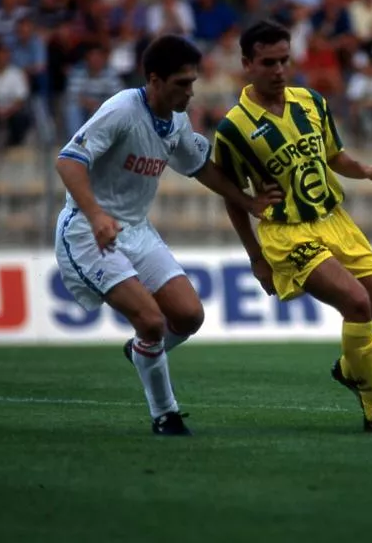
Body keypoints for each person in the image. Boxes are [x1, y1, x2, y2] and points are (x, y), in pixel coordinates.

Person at [54, 35, 281, 436]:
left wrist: (248, 202)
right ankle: (165, 415)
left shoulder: (176, 120)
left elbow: (201, 167)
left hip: (137, 231)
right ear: (155, 81)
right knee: (152, 321)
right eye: (181, 83)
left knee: (189, 316)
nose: (190, 92)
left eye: (192, 83)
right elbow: (69, 161)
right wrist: (96, 216)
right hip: (89, 232)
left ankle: (142, 351)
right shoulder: (122, 110)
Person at [214, 20, 372, 434]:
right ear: (248, 64)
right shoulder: (233, 128)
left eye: (285, 60)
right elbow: (232, 196)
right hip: (287, 233)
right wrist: (256, 258)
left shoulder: (311, 102)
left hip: (335, 220)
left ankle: (348, 368)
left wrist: (367, 170)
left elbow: (335, 156)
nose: (280, 70)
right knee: (357, 305)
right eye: (269, 62)